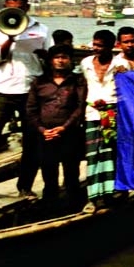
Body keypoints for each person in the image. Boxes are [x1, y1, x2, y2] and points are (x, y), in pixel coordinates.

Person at [0, 0, 51, 199]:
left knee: (32, 142)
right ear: (6, 7)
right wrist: (10, 38)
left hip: (31, 91)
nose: (16, 11)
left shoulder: (41, 29)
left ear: (27, 7)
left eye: (21, 7)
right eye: (11, 8)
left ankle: (25, 187)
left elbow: (49, 60)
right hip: (3, 91)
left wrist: (44, 55)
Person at [25, 45, 86, 202]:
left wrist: (64, 127)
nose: (60, 60)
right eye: (57, 57)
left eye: (64, 57)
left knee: (71, 171)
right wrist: (42, 130)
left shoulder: (77, 80)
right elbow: (31, 110)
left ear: (70, 60)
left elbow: (80, 107)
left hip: (70, 133)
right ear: (51, 61)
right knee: (48, 171)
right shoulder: (39, 82)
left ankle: (73, 203)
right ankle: (50, 203)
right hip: (46, 135)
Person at [80, 30, 130, 208]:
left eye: (100, 46)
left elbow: (127, 91)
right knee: (93, 155)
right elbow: (85, 87)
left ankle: (114, 192)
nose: (96, 49)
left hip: (114, 114)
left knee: (112, 153)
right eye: (95, 44)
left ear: (111, 46)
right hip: (92, 113)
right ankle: (93, 196)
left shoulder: (121, 64)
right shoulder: (85, 63)